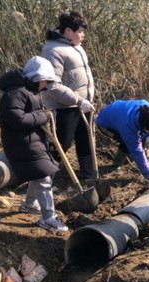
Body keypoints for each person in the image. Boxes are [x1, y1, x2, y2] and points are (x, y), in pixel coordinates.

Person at [0, 56, 68, 232]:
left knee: (41, 172)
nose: (45, 85)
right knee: (43, 176)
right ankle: (48, 218)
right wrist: (43, 116)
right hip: (21, 143)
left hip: (32, 141)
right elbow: (16, 119)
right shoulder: (16, 93)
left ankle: (29, 204)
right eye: (45, 81)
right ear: (37, 77)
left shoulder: (28, 91)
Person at [41, 11, 95, 180]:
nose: (83, 35)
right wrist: (78, 100)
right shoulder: (52, 50)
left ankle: (89, 177)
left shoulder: (76, 47)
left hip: (83, 104)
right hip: (64, 107)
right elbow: (52, 85)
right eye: (80, 31)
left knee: (86, 140)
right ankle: (45, 178)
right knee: (61, 143)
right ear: (68, 31)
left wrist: (87, 99)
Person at [95, 100, 149, 182]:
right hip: (105, 122)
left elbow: (144, 130)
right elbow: (137, 151)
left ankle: (133, 160)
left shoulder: (148, 108)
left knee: (140, 139)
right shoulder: (128, 128)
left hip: (118, 113)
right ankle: (115, 165)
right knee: (126, 145)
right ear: (145, 127)